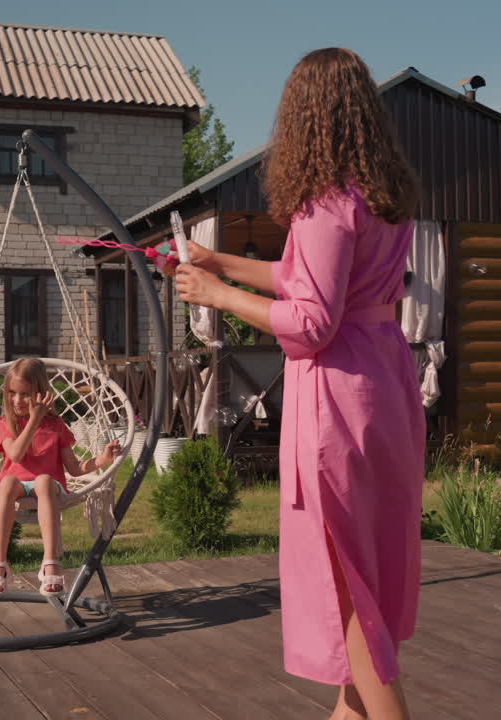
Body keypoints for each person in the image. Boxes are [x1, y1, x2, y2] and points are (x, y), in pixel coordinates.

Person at [175, 48, 424, 720]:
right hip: (384, 388)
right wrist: (216, 261)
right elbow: (305, 278)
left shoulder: (324, 203)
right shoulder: (380, 198)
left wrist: (216, 294)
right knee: (364, 570)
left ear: (304, 116)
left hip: (338, 400)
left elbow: (311, 319)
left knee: (344, 585)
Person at [0, 357, 122, 597]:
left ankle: (50, 562)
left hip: (48, 486)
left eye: (26, 394)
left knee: (43, 479)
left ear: (41, 394)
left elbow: (75, 468)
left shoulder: (55, 426)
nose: (17, 400)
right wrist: (34, 419)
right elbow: (15, 454)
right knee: (5, 482)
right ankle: (0, 563)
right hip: (15, 485)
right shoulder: (5, 423)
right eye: (12, 393)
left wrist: (102, 459)